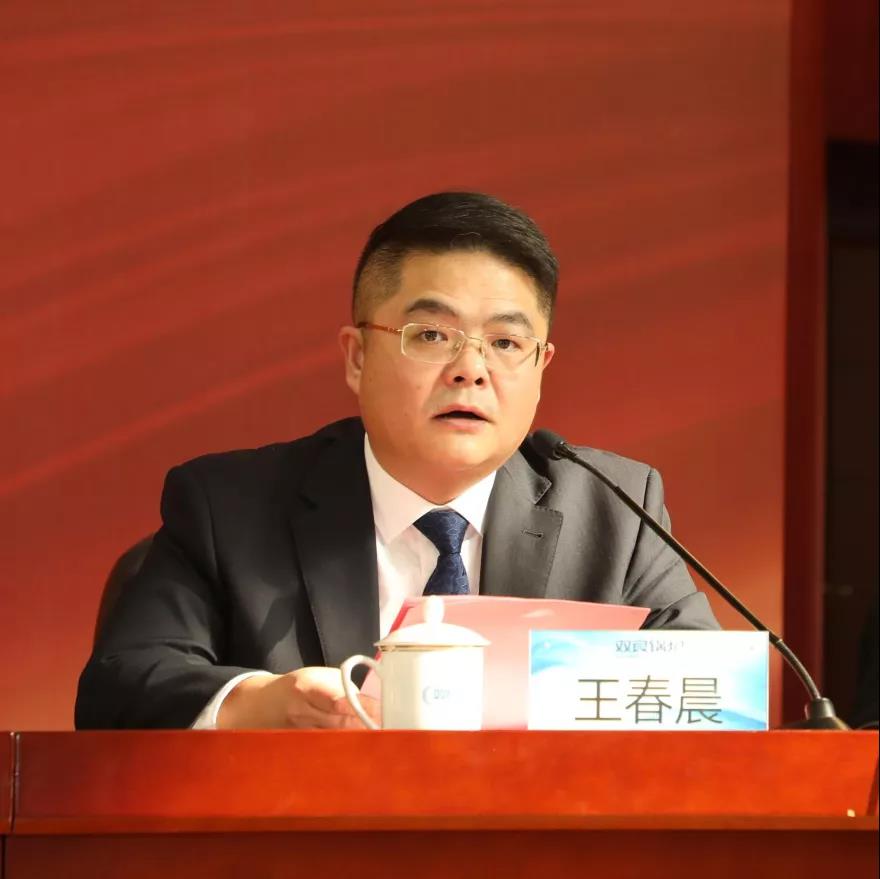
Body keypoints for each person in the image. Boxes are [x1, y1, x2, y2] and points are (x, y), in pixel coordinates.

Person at [75, 192, 718, 730]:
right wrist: (259, 703)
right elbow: (121, 685)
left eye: (505, 342)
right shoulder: (231, 508)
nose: (471, 369)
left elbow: (709, 696)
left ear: (541, 366)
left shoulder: (616, 509)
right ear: (357, 358)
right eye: (432, 335)